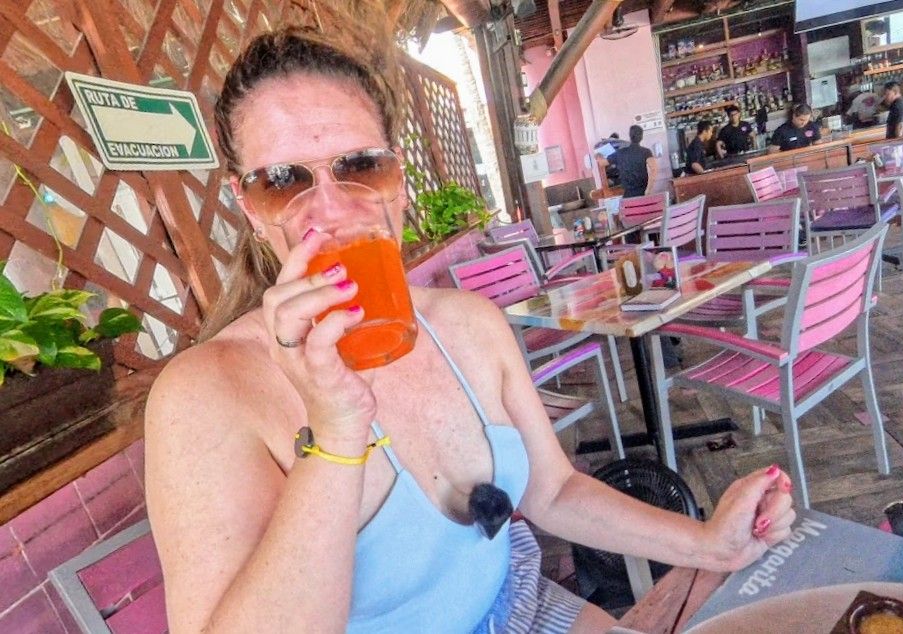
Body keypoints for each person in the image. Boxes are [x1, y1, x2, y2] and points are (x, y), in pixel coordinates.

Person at [144, 24, 796, 633]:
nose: (333, 209)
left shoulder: (466, 322)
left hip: (519, 604)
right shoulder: (206, 392)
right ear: (250, 208)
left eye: (361, 166)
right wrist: (337, 433)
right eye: (283, 180)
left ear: (398, 181)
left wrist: (709, 543)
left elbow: (553, 491)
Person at [613, 125, 658, 197]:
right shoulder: (646, 152)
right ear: (641, 137)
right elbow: (654, 169)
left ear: (630, 136)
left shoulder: (621, 152)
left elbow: (602, 162)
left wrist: (598, 155)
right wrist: (648, 189)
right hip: (643, 191)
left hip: (627, 193)